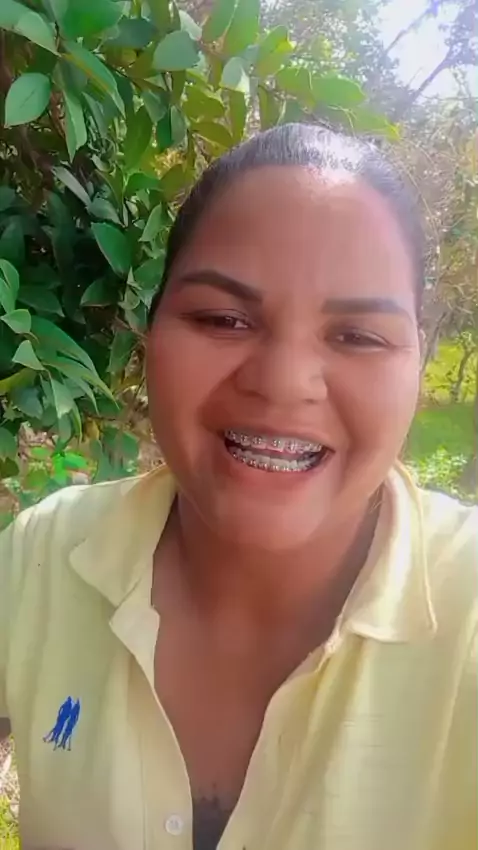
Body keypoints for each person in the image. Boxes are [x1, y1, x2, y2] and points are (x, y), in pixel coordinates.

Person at [0, 123, 476, 850]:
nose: (283, 383)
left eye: (356, 336)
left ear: (418, 361)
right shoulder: (47, 555)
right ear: (149, 335)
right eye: (224, 319)